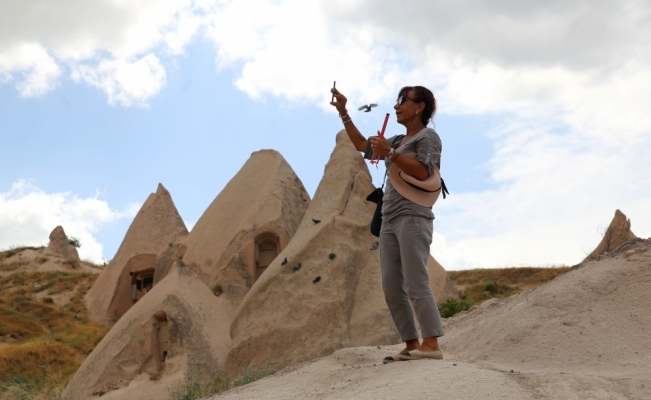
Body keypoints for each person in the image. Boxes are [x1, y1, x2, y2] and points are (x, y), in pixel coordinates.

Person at [330, 85, 445, 362]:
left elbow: (425, 170)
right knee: (392, 284)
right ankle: (411, 342)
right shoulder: (395, 139)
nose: (396, 106)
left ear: (419, 107)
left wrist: (391, 154)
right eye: (397, 101)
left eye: (402, 101)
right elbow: (361, 146)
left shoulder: (428, 137)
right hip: (390, 217)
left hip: (413, 214)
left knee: (416, 281)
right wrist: (344, 111)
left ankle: (431, 344)